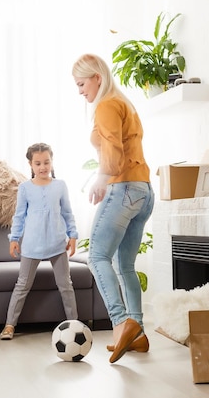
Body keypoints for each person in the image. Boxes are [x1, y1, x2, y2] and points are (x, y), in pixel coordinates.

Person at [72, 54, 154, 363]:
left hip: (123, 188)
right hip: (143, 190)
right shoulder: (125, 102)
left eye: (81, 84)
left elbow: (113, 149)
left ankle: (121, 324)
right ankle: (139, 334)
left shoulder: (106, 105)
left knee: (97, 256)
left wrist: (101, 178)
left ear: (96, 77)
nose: (80, 91)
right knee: (126, 266)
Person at [0, 143, 79, 340]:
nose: (43, 167)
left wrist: (73, 236)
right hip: (31, 245)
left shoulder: (60, 186)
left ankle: (75, 324)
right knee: (22, 285)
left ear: (52, 162)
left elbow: (68, 213)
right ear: (30, 164)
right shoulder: (25, 188)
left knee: (66, 285)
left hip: (57, 244)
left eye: (46, 162)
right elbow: (19, 216)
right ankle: (10, 325)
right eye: (38, 163)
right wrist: (14, 238)